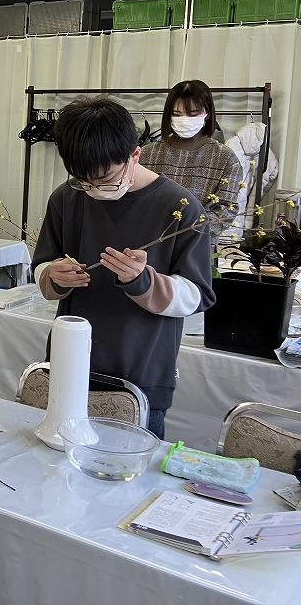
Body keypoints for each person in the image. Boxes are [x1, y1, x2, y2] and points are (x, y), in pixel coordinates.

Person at [31, 96, 215, 439]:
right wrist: (52, 276)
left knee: (132, 481)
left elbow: (197, 296)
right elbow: (42, 268)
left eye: (107, 179)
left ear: (135, 155)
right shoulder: (66, 198)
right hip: (72, 366)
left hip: (141, 374)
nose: (95, 190)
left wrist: (142, 281)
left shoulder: (180, 207)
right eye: (84, 181)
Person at [139, 80, 243, 242]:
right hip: (148, 244)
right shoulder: (147, 154)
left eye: (193, 114)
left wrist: (186, 229)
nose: (185, 120)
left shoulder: (225, 158)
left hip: (198, 247)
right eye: (177, 114)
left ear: (207, 113)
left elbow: (225, 211)